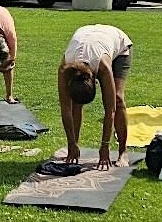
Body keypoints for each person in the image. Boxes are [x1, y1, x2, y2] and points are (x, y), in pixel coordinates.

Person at [57, 22, 133, 169]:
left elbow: (110, 110)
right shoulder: (65, 68)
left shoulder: (103, 66)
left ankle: (123, 151)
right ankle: (74, 148)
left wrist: (104, 148)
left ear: (95, 81)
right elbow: (66, 108)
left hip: (118, 43)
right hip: (88, 35)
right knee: (75, 102)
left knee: (117, 99)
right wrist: (71, 143)